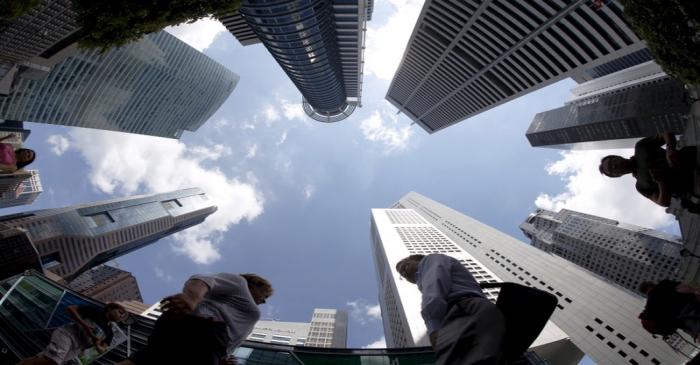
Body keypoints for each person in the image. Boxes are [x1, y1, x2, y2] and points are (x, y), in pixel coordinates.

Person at [117, 273, 273, 365]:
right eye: (265, 295)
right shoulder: (240, 284)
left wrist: (223, 359)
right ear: (254, 284)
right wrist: (190, 299)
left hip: (209, 344)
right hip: (204, 330)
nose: (264, 301)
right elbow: (202, 280)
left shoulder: (241, 306)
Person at [396, 254, 506, 365]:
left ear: (414, 259)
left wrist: (433, 328)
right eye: (402, 275)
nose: (404, 273)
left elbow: (434, 289)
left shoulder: (429, 261)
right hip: (474, 311)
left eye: (404, 266)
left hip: (464, 311)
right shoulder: (427, 275)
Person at [599, 133, 697, 208]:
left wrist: (670, 149)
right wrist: (662, 182)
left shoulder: (640, 147)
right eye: (612, 170)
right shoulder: (640, 186)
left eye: (611, 163)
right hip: (692, 186)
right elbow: (662, 202)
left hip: (693, 159)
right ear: (618, 175)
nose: (614, 167)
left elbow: (666, 135)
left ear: (617, 157)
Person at [17, 303, 129, 365]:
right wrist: (85, 325)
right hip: (68, 335)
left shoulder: (110, 332)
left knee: (42, 359)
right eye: (120, 312)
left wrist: (97, 344)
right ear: (110, 308)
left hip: (77, 349)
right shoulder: (96, 311)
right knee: (53, 361)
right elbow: (70, 308)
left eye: (123, 316)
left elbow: (103, 349)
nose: (121, 316)